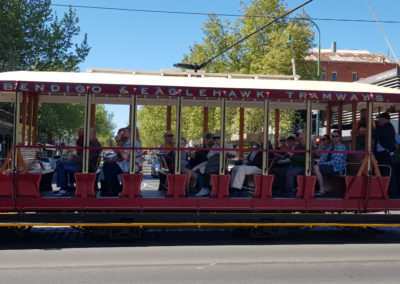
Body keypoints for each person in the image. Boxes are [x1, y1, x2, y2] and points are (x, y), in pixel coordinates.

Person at [55, 128, 102, 195]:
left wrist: (72, 159)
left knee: (61, 165)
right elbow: (84, 157)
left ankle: (63, 188)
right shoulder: (94, 143)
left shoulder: (93, 144)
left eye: (88, 134)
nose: (86, 136)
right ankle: (69, 185)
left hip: (85, 167)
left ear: (93, 135)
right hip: (86, 165)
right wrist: (74, 157)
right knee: (64, 161)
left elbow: (83, 159)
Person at [101, 127, 138, 196]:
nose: (122, 134)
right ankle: (115, 188)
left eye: (124, 132)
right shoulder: (129, 141)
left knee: (108, 167)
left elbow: (125, 156)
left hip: (132, 165)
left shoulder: (131, 142)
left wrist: (118, 143)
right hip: (129, 163)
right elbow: (120, 153)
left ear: (130, 133)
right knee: (109, 165)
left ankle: (111, 190)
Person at [230, 132, 265, 197]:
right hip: (252, 166)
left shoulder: (266, 146)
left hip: (260, 167)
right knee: (235, 168)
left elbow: (260, 160)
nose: (259, 138)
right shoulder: (256, 148)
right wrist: (245, 161)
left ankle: (237, 189)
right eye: (259, 137)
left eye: (260, 137)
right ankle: (233, 187)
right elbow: (249, 158)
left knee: (241, 169)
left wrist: (249, 163)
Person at [272, 132, 306, 197]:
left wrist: (289, 156)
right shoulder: (297, 147)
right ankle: (279, 189)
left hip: (301, 166)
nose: (300, 140)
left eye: (301, 138)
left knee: (289, 172)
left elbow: (303, 159)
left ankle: (290, 191)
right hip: (293, 165)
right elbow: (289, 155)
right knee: (275, 171)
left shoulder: (307, 147)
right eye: (299, 138)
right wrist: (281, 156)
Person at [314, 130, 347, 196]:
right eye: (332, 136)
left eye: (336, 136)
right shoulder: (331, 147)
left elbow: (336, 162)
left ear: (340, 138)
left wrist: (321, 164)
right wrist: (320, 145)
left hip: (337, 168)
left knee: (316, 167)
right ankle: (319, 188)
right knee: (313, 167)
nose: (334, 138)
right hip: (331, 167)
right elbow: (319, 154)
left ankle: (322, 190)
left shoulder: (340, 147)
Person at [373, 112, 398, 197]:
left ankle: (390, 193)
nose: (378, 120)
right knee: (384, 172)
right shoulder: (384, 127)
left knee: (388, 173)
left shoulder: (388, 126)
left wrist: (366, 130)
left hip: (386, 155)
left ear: (385, 119)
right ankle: (385, 191)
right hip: (381, 155)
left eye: (379, 118)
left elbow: (376, 132)